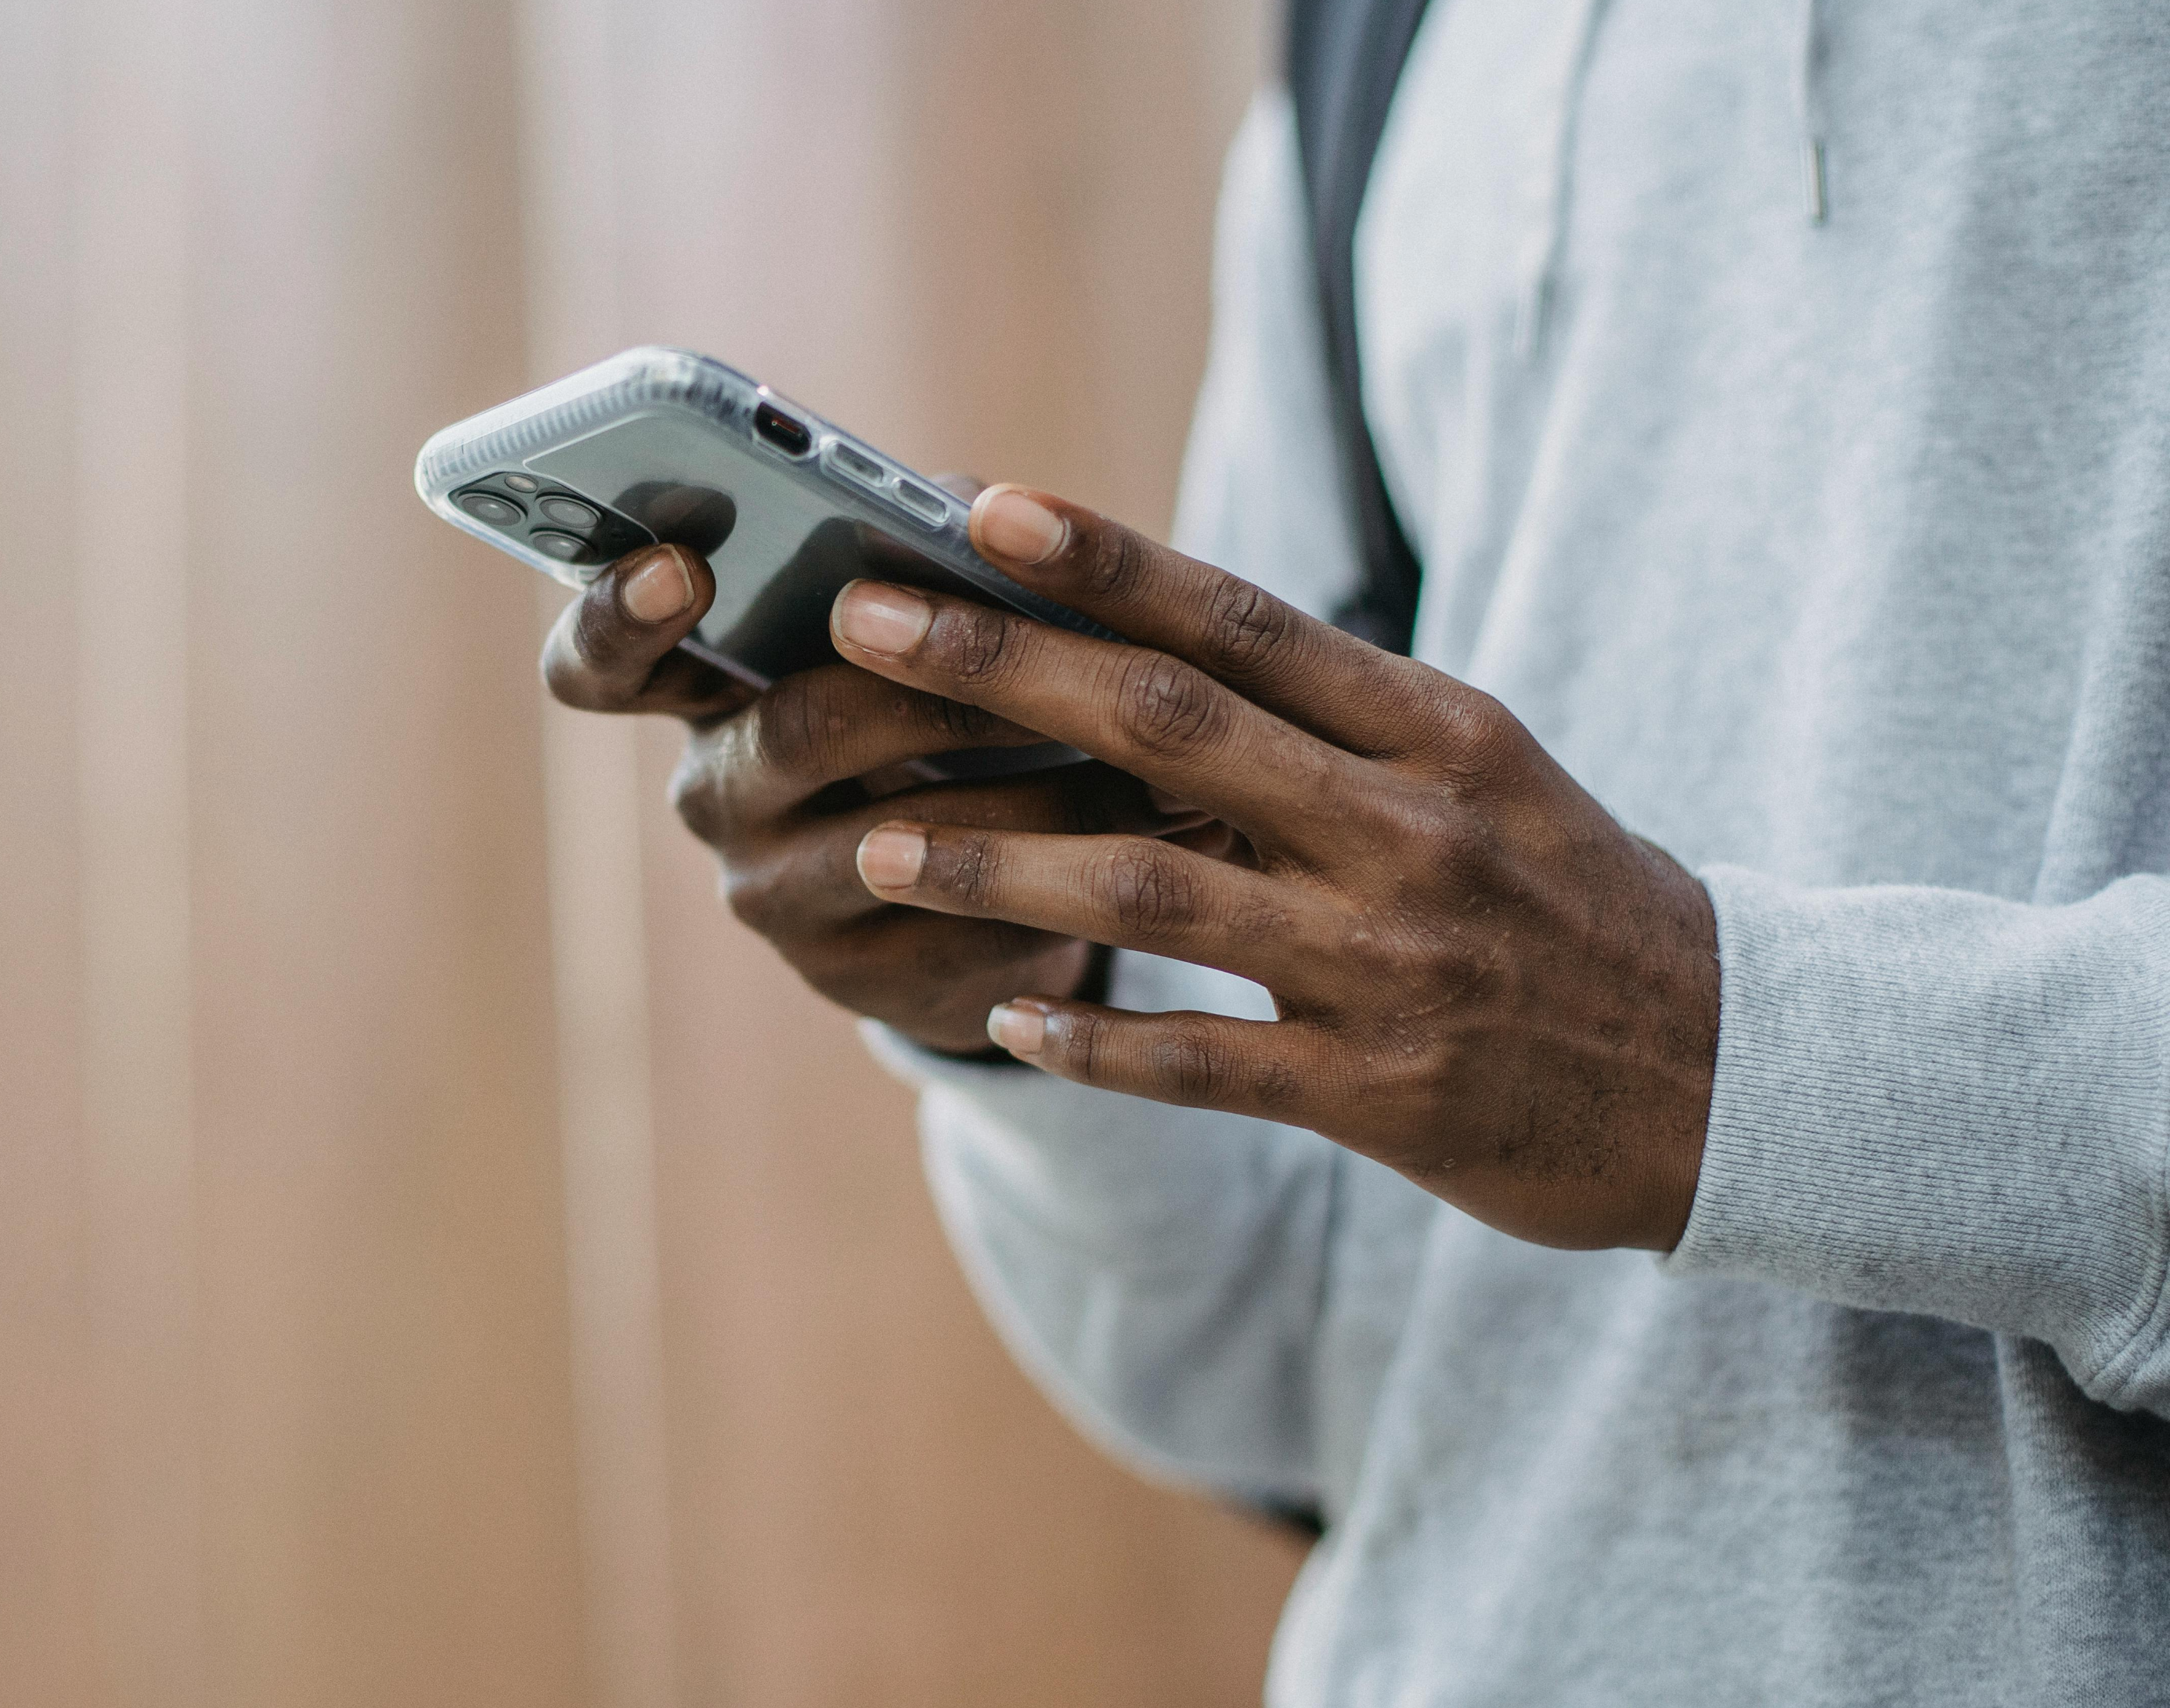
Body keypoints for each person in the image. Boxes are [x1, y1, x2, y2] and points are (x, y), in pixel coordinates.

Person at [535, 2, 2170, 1701]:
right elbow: (1289, 1368)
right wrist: (1032, 995)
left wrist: (1728, 1060)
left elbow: (1640, 1060)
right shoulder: (1376, 41)